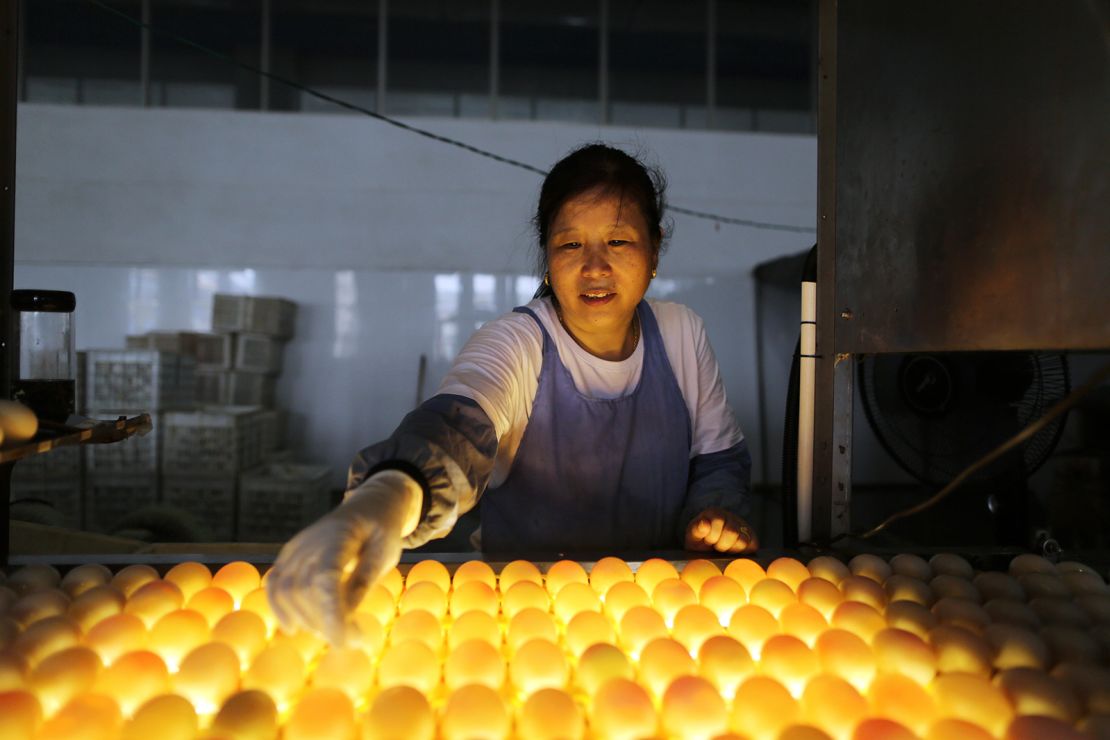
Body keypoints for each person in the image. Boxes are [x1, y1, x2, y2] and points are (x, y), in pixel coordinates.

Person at [267, 143, 757, 644]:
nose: (594, 267)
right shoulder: (519, 342)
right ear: (547, 257)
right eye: (570, 245)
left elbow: (717, 462)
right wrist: (388, 495)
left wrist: (712, 515)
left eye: (618, 242)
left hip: (658, 617)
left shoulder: (680, 334)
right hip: (527, 620)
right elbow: (457, 426)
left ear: (654, 250)